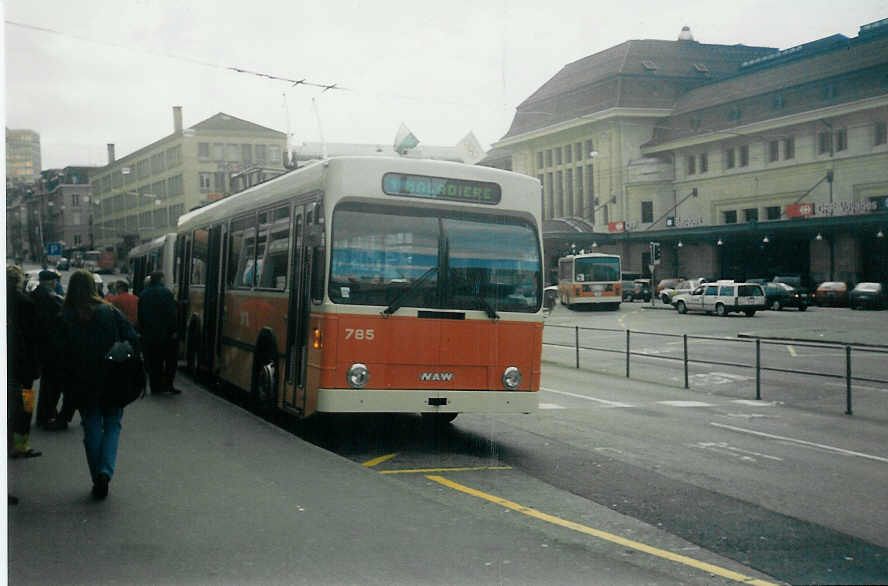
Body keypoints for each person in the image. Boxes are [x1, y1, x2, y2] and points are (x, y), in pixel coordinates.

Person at [60, 270, 140, 500]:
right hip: (113, 377)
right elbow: (132, 338)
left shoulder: (65, 315)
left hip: (81, 380)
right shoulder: (109, 311)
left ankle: (98, 477)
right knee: (113, 424)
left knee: (91, 425)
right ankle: (105, 471)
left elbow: (58, 352)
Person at [7, 266, 42, 463]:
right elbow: (35, 335)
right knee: (25, 406)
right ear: (19, 281)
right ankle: (20, 445)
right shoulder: (26, 302)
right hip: (23, 364)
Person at [31, 270, 69, 431]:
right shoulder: (51, 298)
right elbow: (59, 321)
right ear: (52, 281)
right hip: (53, 347)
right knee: (52, 384)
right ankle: (47, 414)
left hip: (40, 345)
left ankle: (44, 413)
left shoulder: (34, 294)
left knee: (47, 383)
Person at [137, 271, 180, 395]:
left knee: (153, 361)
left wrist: (142, 331)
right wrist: (174, 330)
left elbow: (140, 315)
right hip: (166, 333)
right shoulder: (166, 293)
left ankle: (155, 386)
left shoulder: (143, 294)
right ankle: (168, 384)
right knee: (170, 360)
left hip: (149, 333)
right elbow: (171, 313)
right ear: (160, 279)